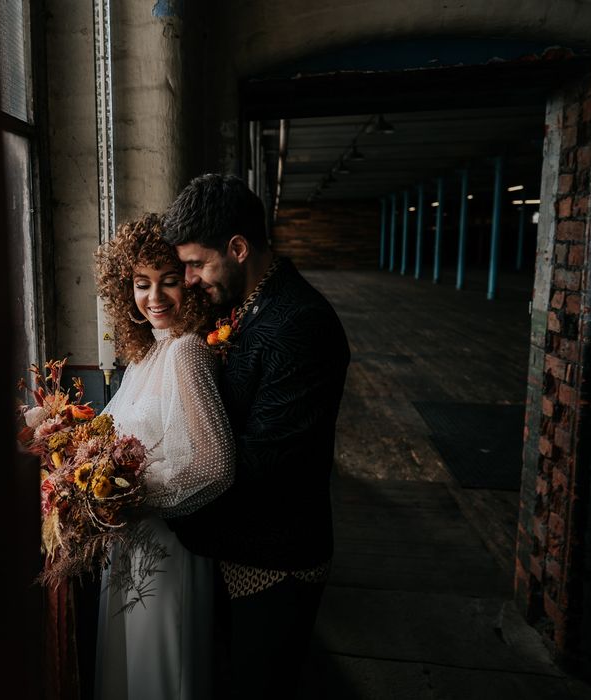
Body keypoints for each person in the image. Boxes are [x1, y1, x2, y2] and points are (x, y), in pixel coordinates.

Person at [161, 173, 350, 699]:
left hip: (278, 558)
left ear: (239, 248)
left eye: (197, 264)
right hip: (231, 543)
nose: (190, 279)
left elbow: (267, 464)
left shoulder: (301, 325)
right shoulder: (242, 306)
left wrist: (157, 491)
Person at [92, 212, 235, 700]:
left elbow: (215, 464)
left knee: (160, 670)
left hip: (167, 545)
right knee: (130, 663)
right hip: (130, 541)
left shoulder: (187, 352)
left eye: (169, 282)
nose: (154, 298)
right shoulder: (146, 354)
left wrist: (132, 499)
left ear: (190, 284)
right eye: (141, 284)